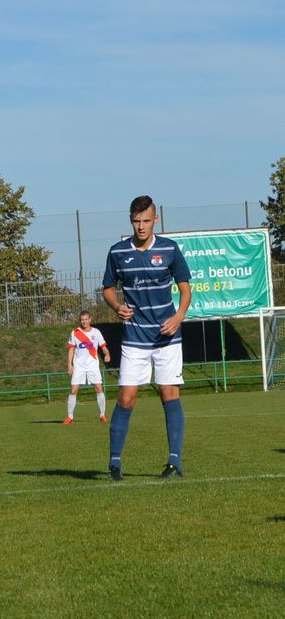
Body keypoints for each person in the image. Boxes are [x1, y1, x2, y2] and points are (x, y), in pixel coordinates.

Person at [102, 195, 191, 481]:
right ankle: (115, 464)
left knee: (169, 394)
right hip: (134, 337)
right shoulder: (117, 252)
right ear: (131, 220)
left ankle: (174, 462)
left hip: (167, 338)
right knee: (126, 398)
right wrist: (117, 306)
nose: (141, 226)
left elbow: (185, 289)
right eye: (136, 221)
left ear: (156, 220)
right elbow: (107, 288)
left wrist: (178, 317)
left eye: (146, 221)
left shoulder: (169, 249)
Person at [63, 310, 111, 424]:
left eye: (86, 319)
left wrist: (107, 354)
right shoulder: (75, 332)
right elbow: (71, 349)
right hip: (79, 366)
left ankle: (102, 415)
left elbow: (103, 346)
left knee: (99, 388)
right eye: (82, 319)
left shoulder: (96, 332)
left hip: (92, 365)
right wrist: (70, 365)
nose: (84, 321)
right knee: (73, 390)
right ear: (80, 320)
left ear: (90, 319)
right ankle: (70, 417)